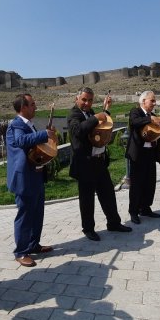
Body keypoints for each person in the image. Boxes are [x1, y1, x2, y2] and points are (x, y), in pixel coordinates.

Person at [67, 87, 132, 241]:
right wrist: (97, 117)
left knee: (108, 194)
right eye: (84, 99)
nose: (87, 103)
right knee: (87, 199)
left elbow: (100, 124)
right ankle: (88, 229)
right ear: (77, 99)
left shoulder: (90, 113)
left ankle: (113, 223)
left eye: (90, 100)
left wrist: (106, 110)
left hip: (99, 162)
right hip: (85, 164)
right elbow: (78, 131)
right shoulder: (73, 114)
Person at [6, 94, 56, 267]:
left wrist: (48, 137)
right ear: (23, 108)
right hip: (24, 179)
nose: (35, 107)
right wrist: (44, 134)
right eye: (32, 104)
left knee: (37, 213)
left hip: (35, 176)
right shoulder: (16, 124)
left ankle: (33, 244)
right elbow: (20, 141)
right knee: (26, 214)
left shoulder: (29, 125)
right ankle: (20, 252)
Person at [125, 90, 160, 224]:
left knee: (149, 183)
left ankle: (145, 208)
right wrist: (150, 118)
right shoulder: (135, 112)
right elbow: (135, 122)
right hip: (138, 155)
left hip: (150, 154)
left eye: (155, 101)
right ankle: (133, 211)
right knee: (137, 184)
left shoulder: (153, 115)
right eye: (152, 101)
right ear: (143, 101)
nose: (154, 103)